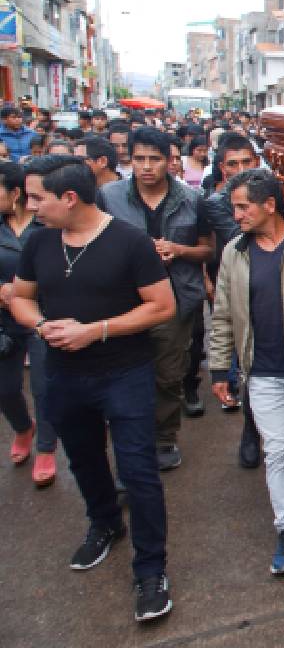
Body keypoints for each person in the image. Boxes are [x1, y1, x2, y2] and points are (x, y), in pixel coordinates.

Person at [9, 155, 176, 621]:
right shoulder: (39, 242)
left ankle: (151, 571)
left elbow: (162, 307)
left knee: (139, 472)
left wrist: (95, 330)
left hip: (125, 374)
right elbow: (20, 297)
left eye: (37, 197)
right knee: (82, 459)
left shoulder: (129, 242)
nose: (30, 205)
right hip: (63, 376)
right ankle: (103, 523)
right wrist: (43, 326)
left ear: (69, 198)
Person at [208, 170, 284, 575]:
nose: (235, 214)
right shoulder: (233, 253)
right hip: (262, 372)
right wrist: (220, 366)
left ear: (269, 205)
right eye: (234, 207)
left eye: (243, 206)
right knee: (279, 450)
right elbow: (222, 313)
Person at [98, 126, 215, 471]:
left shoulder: (192, 200)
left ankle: (164, 436)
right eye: (139, 159)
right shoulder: (110, 197)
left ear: (169, 161)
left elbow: (208, 250)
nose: (146, 166)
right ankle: (130, 440)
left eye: (155, 159)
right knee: (122, 373)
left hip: (174, 298)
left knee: (167, 372)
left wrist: (177, 250)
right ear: (129, 160)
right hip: (122, 298)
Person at [205, 132, 267, 467]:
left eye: (247, 161)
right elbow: (241, 236)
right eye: (233, 163)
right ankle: (249, 429)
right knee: (249, 367)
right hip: (239, 290)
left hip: (274, 288)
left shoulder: (273, 195)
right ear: (221, 168)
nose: (241, 168)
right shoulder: (216, 205)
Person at [0, 161, 55, 486]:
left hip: (43, 314)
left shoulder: (46, 224)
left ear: (16, 193)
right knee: (5, 388)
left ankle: (47, 447)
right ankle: (23, 427)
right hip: (5, 320)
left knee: (44, 385)